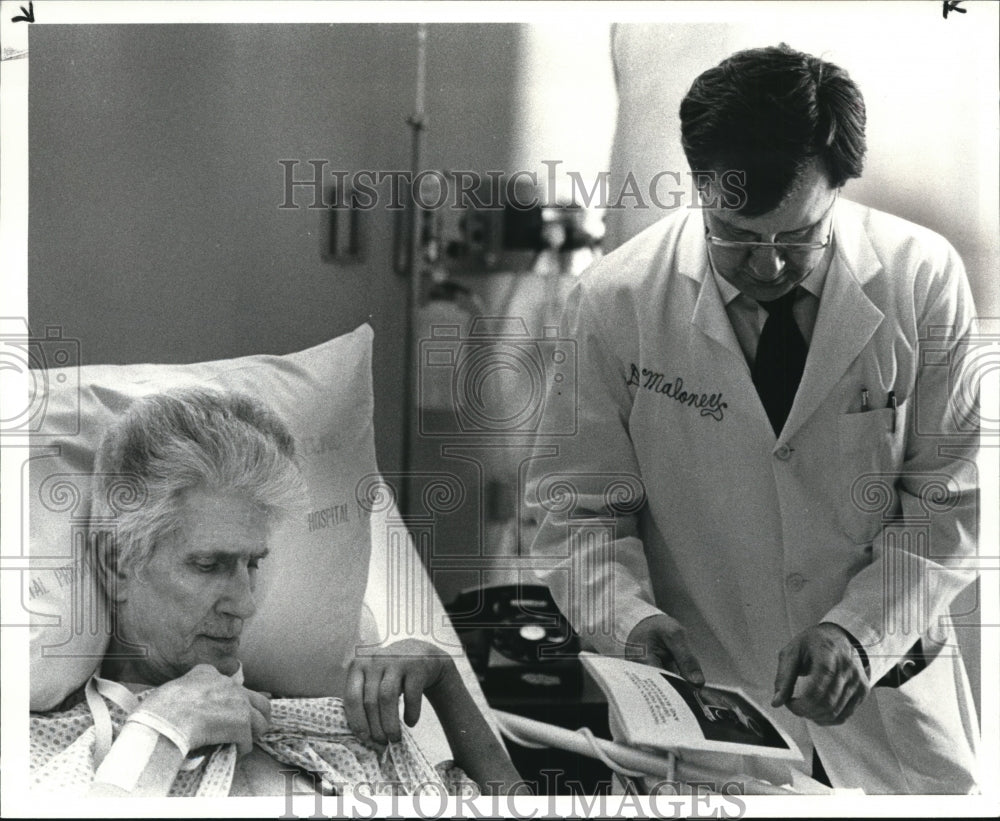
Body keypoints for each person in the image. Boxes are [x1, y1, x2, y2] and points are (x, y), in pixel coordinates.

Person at [526, 44, 980, 793]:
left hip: (889, 715)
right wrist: (628, 619)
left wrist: (858, 633)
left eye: (797, 236)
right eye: (736, 234)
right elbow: (575, 514)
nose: (767, 267)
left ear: (838, 187)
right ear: (698, 185)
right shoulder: (617, 302)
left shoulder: (922, 280)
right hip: (710, 716)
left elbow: (947, 509)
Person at [30, 388, 519, 797]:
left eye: (253, 563)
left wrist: (447, 687)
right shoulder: (50, 749)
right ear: (117, 562)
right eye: (208, 565)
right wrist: (162, 729)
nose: (245, 604)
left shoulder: (333, 728)